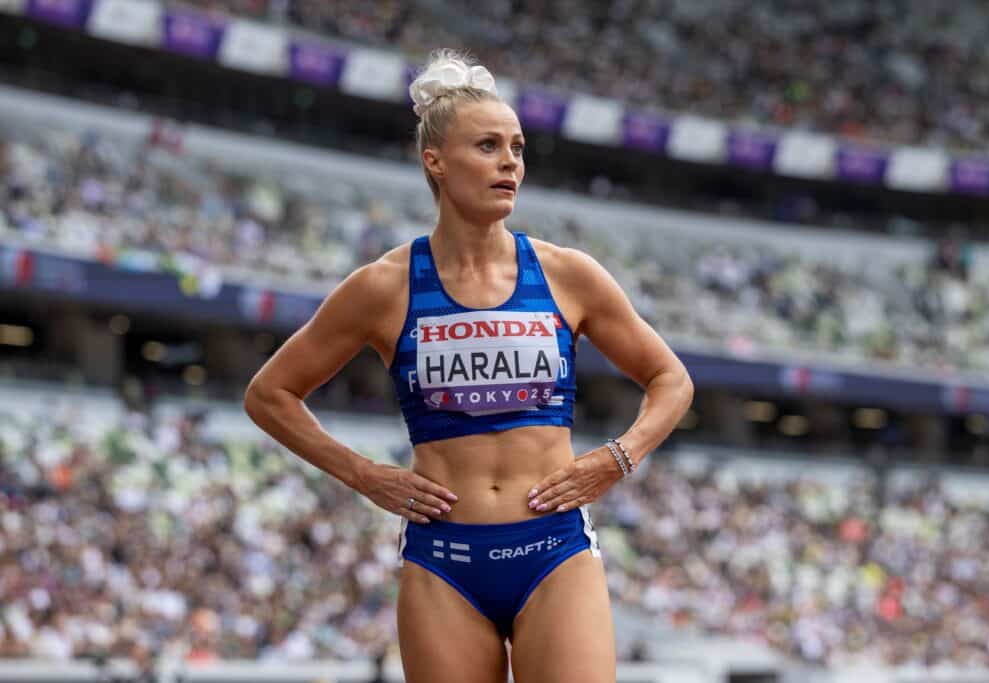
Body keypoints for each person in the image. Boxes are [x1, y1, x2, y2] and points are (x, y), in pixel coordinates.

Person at [244, 49, 694, 683]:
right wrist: (365, 475)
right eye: (488, 146)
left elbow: (672, 379)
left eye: (517, 147)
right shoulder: (384, 286)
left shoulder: (568, 275)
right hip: (443, 561)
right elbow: (269, 394)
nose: (510, 162)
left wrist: (617, 457)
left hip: (555, 551)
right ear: (435, 161)